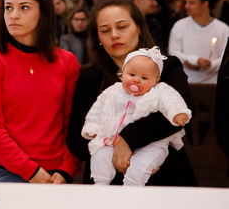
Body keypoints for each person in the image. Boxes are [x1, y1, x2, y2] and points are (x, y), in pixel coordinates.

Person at [67, 0, 197, 186]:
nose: (114, 35)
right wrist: (112, 157)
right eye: (105, 30)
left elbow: (181, 111)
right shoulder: (89, 76)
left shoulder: (165, 66)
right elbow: (76, 136)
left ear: (138, 27)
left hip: (162, 172)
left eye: (121, 26)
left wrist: (127, 139)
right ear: (98, 37)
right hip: (108, 179)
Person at [0, 0, 80, 184]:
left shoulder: (66, 62)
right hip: (6, 171)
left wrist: (69, 167)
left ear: (43, 12)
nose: (13, 15)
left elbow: (74, 124)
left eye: (24, 8)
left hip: (58, 174)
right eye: (8, 8)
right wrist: (30, 171)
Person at [81, 47, 191, 186]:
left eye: (144, 78)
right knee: (100, 155)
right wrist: (93, 126)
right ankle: (101, 184)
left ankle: (132, 187)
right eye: (131, 74)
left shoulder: (158, 91)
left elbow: (172, 100)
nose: (136, 80)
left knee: (141, 166)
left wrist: (177, 113)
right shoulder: (113, 91)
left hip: (150, 143)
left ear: (155, 81)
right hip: (112, 140)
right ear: (122, 74)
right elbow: (98, 108)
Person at [168, 0, 229, 84]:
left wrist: (210, 65)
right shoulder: (179, 26)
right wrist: (195, 60)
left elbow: (225, 57)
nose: (186, 6)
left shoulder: (223, 29)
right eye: (186, 2)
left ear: (205, 4)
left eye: (191, 3)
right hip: (187, 82)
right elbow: (173, 52)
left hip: (214, 83)